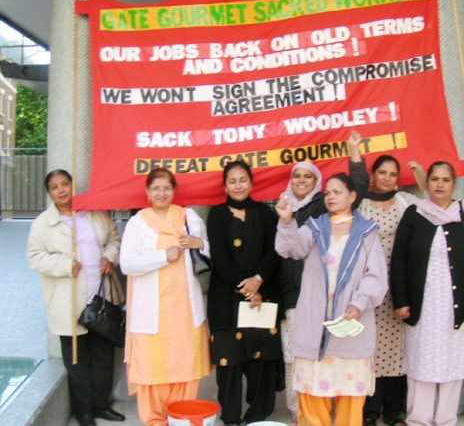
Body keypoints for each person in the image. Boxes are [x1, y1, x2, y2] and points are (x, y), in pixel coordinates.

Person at [276, 172, 388, 426]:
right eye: (327, 193)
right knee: (313, 397)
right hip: (315, 325)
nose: (331, 197)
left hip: (350, 326)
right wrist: (286, 221)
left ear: (352, 196)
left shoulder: (366, 233)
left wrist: (359, 304)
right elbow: (290, 248)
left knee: (350, 399)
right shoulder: (315, 228)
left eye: (337, 192)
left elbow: (376, 276)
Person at [390, 161, 464, 426]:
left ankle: (447, 420)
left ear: (454, 184)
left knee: (453, 364)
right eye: (434, 179)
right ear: (427, 183)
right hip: (423, 304)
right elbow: (399, 258)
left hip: (457, 304)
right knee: (421, 364)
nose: (439, 184)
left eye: (446, 180)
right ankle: (419, 420)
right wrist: (400, 300)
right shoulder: (415, 213)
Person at [27, 169, 125, 426]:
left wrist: (109, 257)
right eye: (55, 187)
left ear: (72, 185)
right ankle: (84, 412)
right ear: (49, 192)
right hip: (68, 302)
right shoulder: (43, 223)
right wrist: (63, 264)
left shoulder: (93, 212)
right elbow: (35, 256)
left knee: (103, 355)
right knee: (77, 360)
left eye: (65, 184)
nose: (61, 190)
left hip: (100, 298)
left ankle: (102, 406)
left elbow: (114, 238)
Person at [119, 167, 211, 426]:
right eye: (156, 188)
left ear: (174, 191)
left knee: (186, 368)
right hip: (150, 315)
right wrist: (163, 256)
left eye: (167, 188)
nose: (161, 193)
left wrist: (199, 244)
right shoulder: (138, 223)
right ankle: (155, 421)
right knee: (151, 371)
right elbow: (126, 264)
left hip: (185, 311)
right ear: (147, 192)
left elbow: (209, 253)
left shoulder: (189, 217)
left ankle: (182, 417)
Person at [207, 160, 282, 425]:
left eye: (243, 180)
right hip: (226, 300)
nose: (238, 185)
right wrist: (247, 287)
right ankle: (230, 417)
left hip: (261, 297)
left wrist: (259, 280)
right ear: (225, 186)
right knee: (230, 362)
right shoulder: (216, 214)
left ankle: (258, 416)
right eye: (232, 181)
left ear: (251, 183)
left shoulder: (264, 213)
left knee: (260, 360)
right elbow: (220, 257)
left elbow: (275, 251)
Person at [358, 155, 421, 426]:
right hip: (368, 285)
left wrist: (418, 172)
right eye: (382, 173)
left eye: (393, 174)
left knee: (397, 351)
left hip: (398, 285)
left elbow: (434, 200)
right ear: (373, 175)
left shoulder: (407, 202)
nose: (387, 178)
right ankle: (369, 411)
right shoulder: (360, 203)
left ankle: (394, 412)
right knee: (368, 349)